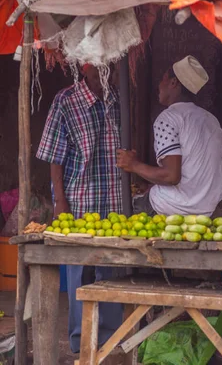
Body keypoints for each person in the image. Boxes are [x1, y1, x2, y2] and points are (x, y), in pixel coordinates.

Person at [36, 64, 123, 353]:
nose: (105, 71)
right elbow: (54, 157)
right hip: (80, 199)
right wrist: (60, 201)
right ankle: (80, 343)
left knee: (110, 269)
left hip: (113, 201)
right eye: (99, 66)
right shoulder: (66, 100)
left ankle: (109, 343)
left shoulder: (117, 98)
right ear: (85, 68)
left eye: (109, 65)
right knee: (78, 271)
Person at [117, 55, 222, 216]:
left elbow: (171, 176)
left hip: (171, 208)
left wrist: (133, 165)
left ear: (173, 83)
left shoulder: (168, 118)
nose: (159, 85)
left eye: (163, 79)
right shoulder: (211, 120)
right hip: (206, 209)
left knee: (123, 208)